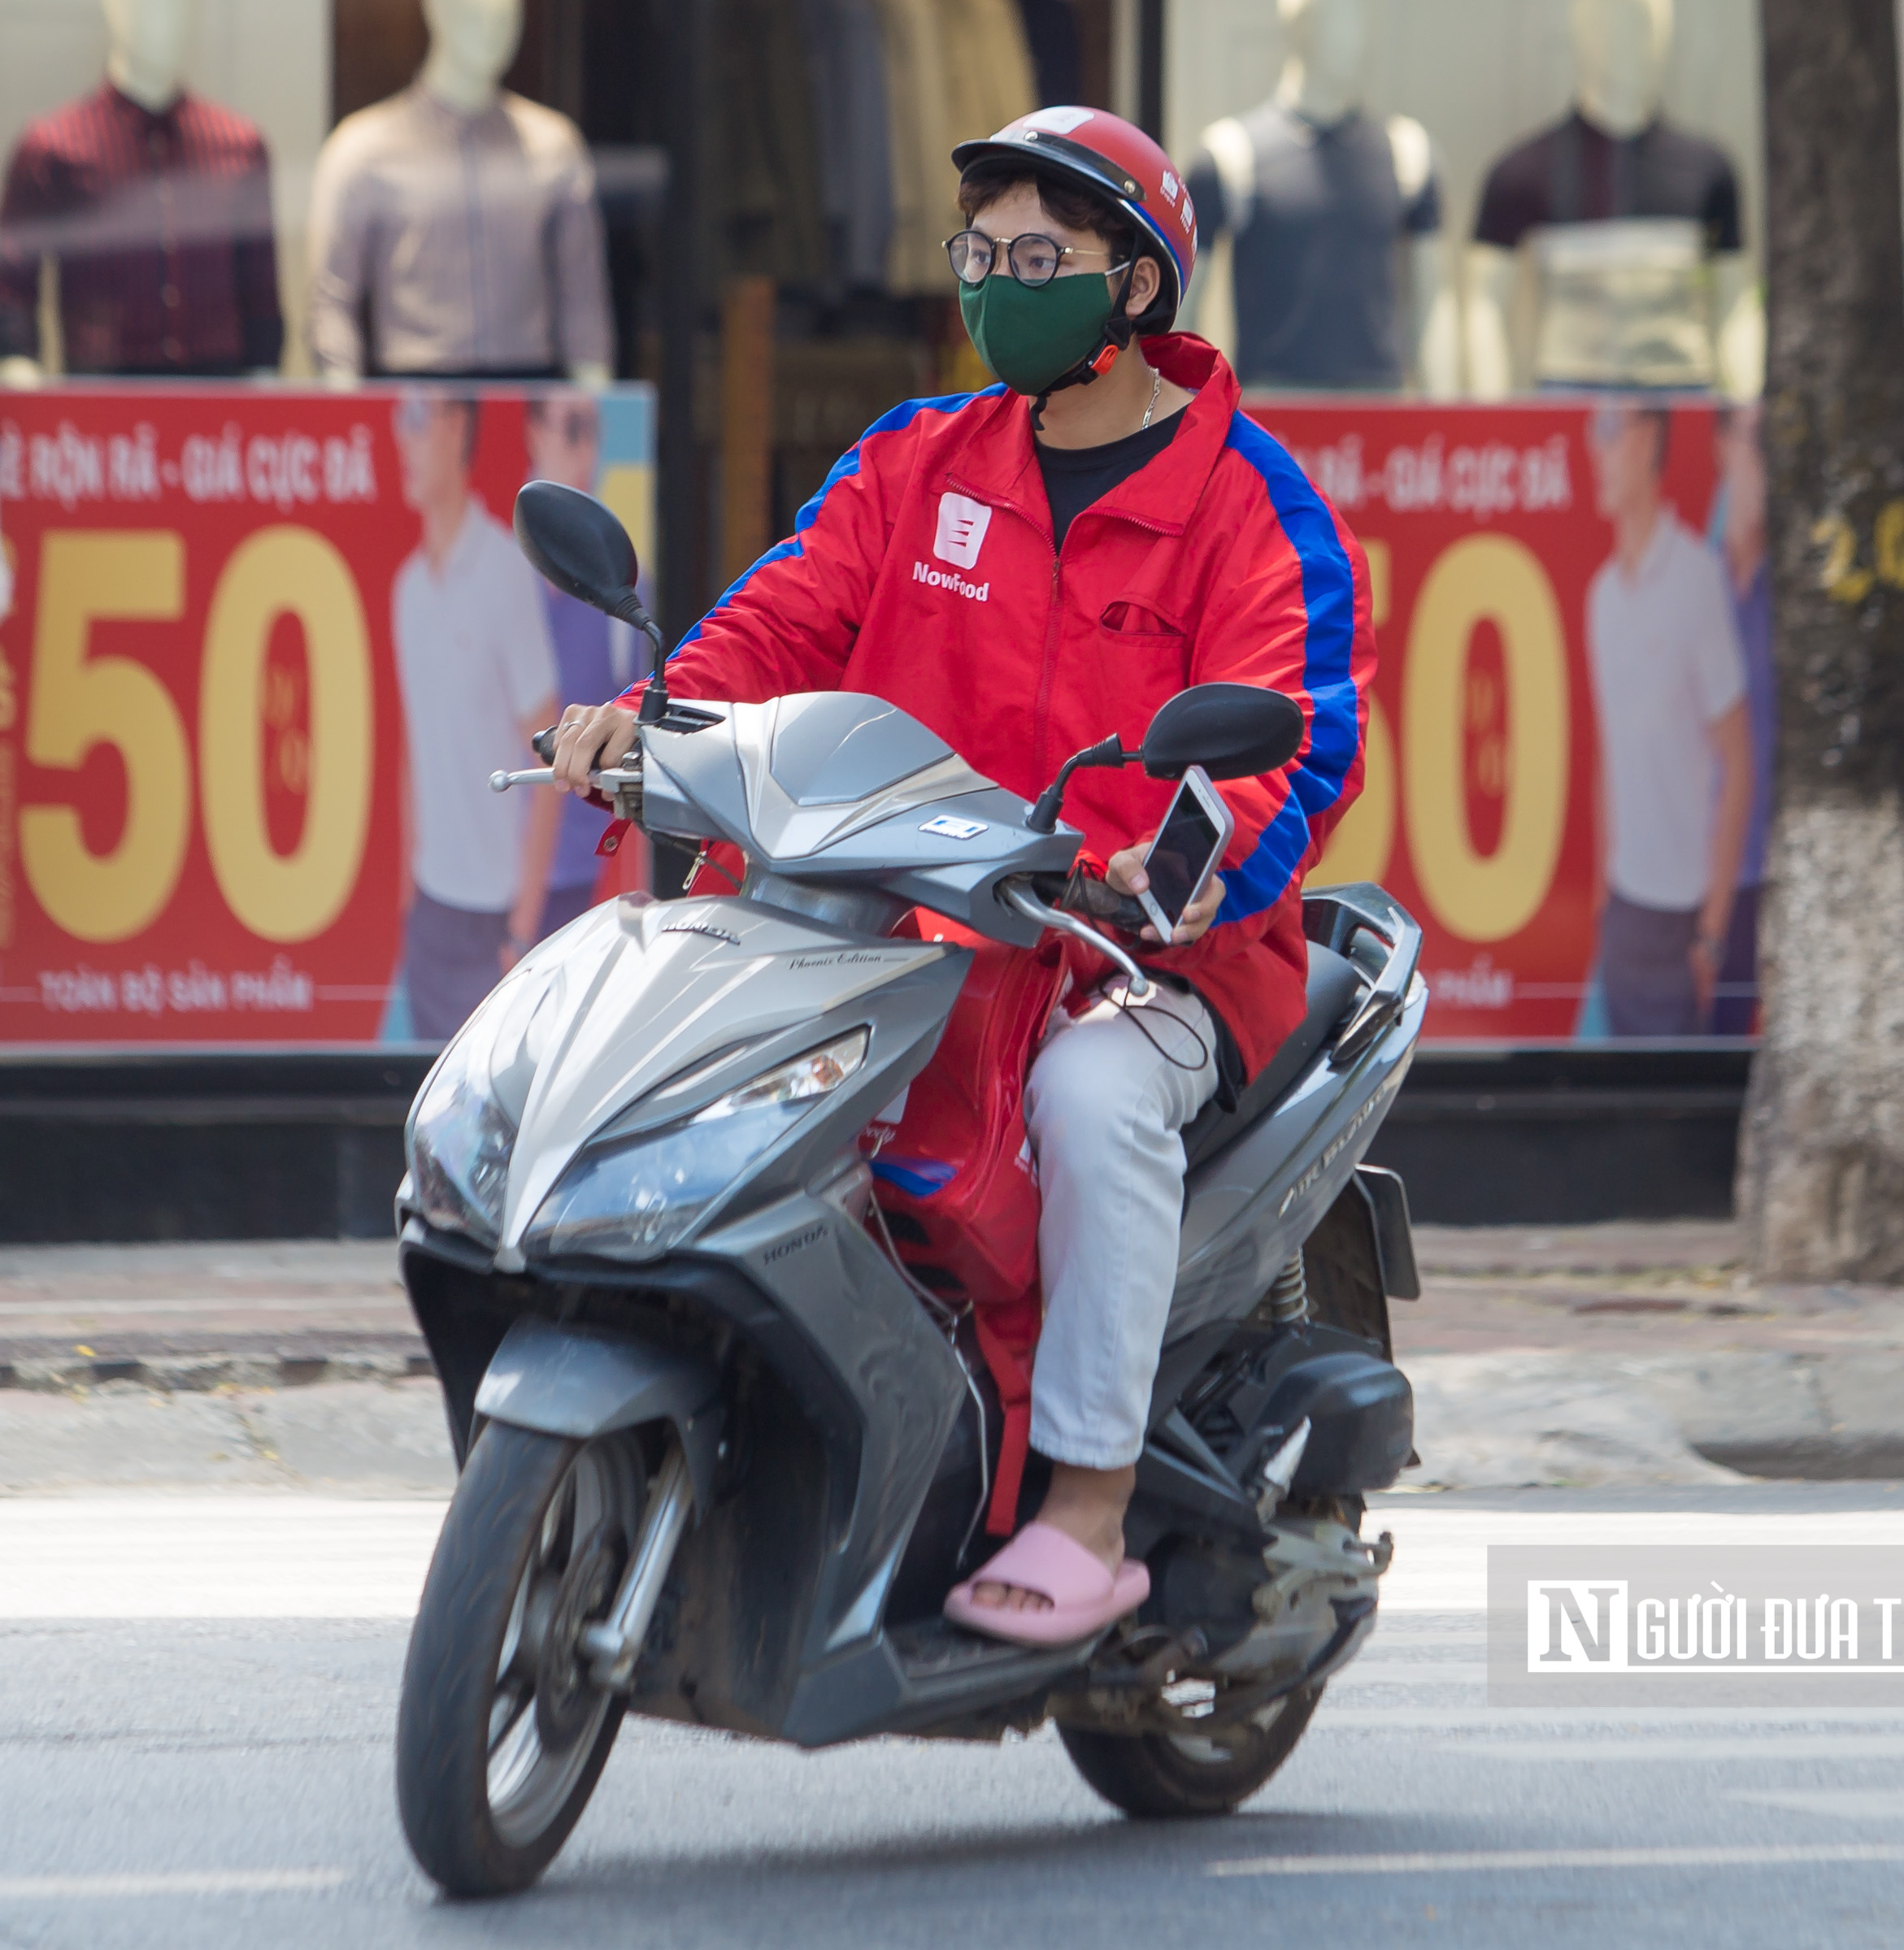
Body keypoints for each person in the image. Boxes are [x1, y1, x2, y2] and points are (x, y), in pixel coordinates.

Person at [550, 106, 1374, 1646]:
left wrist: (1175, 867)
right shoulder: (916, 462)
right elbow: (775, 624)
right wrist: (652, 725)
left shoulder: (1250, 504)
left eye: (1034, 256)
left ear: (1133, 285)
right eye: (977, 253)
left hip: (1149, 957)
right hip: (919, 921)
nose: (993, 284)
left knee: (1088, 1100)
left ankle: (1083, 1505)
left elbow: (1297, 737)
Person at [389, 393, 560, 1042]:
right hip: (430, 917)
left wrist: (522, 927)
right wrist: (411, 902)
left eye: (416, 420)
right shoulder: (407, 590)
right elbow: (415, 748)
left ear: (457, 425)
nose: (402, 441)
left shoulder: (503, 573)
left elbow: (548, 753)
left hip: (492, 926)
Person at [1581, 403, 1751, 1037]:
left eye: (1607, 431)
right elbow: (1609, 752)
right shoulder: (1602, 597)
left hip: (1686, 924)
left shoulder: (1696, 580)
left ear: (1649, 439)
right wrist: (1604, 900)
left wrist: (1711, 932)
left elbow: (1737, 761)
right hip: (1625, 914)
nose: (1593, 452)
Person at [519, 390, 639, 951]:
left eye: (593, 431)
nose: (585, 449)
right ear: (533, 433)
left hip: (593, 883)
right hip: (505, 883)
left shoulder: (625, 598)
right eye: (571, 429)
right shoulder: (496, 583)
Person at [1711, 402, 1772, 1035]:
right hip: (1706, 883)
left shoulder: (1800, 589)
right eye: (1754, 445)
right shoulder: (1700, 584)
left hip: (1779, 867)